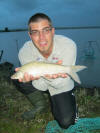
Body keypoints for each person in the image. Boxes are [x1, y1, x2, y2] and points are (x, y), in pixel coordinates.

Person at [16, 13, 78, 129]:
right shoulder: (24, 52)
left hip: (61, 83)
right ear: (30, 35)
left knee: (66, 122)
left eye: (46, 30)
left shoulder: (68, 45)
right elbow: (41, 86)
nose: (42, 37)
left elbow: (62, 83)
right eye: (35, 32)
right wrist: (44, 77)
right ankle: (41, 104)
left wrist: (48, 77)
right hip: (39, 82)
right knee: (19, 79)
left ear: (53, 31)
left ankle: (68, 101)